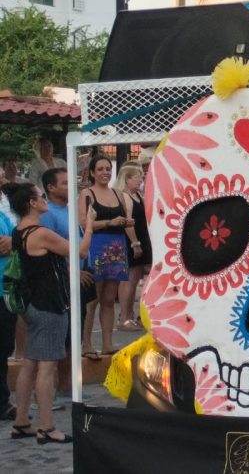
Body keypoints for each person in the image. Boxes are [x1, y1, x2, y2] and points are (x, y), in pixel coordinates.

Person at [9, 182, 95, 444]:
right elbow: (79, 251)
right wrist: (89, 224)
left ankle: (22, 420)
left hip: (33, 304)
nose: (45, 200)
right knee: (46, 366)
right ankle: (46, 426)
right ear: (31, 203)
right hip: (49, 305)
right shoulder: (40, 233)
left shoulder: (19, 231)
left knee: (31, 363)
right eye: (41, 197)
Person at [76, 156, 138, 357]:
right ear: (93, 172)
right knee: (92, 299)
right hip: (96, 246)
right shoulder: (87, 193)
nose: (105, 172)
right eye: (101, 169)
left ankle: (108, 343)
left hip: (116, 247)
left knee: (110, 299)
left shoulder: (118, 194)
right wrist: (109, 222)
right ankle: (86, 344)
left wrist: (126, 223)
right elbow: (83, 223)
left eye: (108, 169)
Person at [113, 165, 150, 331]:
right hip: (133, 240)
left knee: (136, 279)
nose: (140, 179)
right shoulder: (126, 197)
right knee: (129, 279)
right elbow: (128, 223)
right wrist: (135, 243)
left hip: (142, 237)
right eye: (136, 176)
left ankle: (130, 314)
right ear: (127, 179)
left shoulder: (138, 195)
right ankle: (124, 316)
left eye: (141, 176)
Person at [0, 187, 15, 421]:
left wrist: (15, 241)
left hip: (6, 288)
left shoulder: (4, 211)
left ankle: (3, 402)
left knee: (3, 348)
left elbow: (14, 238)